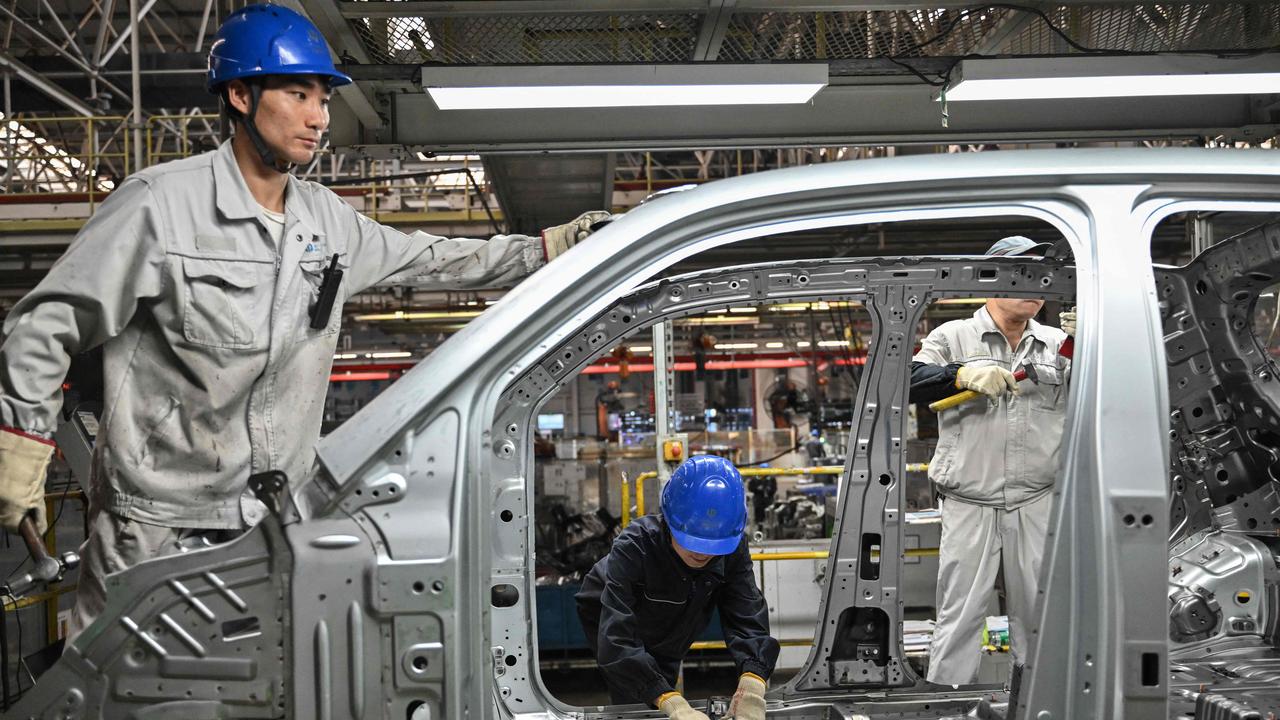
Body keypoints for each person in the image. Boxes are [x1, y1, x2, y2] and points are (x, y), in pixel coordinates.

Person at [0, 3, 605, 642]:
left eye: (323, 98)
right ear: (239, 94)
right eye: (299, 94)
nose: (320, 118)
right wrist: (22, 444)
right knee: (136, 701)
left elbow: (436, 259)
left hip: (270, 529)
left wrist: (547, 248)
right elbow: (46, 324)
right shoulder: (159, 207)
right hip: (155, 536)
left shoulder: (326, 221)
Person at [908, 236, 1073, 687]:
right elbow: (906, 381)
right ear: (991, 280)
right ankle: (945, 711)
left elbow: (1108, 393)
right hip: (970, 503)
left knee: (1041, 621)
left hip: (1037, 503)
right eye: (1021, 274)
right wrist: (959, 374)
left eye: (1043, 276)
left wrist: (1095, 343)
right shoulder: (953, 337)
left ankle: (1040, 707)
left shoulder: (1060, 344)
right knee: (960, 618)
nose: (1035, 285)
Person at [576, 455, 778, 720]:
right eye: (693, 541)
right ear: (670, 522)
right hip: (608, 610)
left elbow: (746, 612)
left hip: (673, 615)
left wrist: (752, 683)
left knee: (665, 666)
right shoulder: (634, 547)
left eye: (712, 546)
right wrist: (670, 702)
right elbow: (617, 639)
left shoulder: (731, 543)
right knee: (639, 697)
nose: (702, 553)